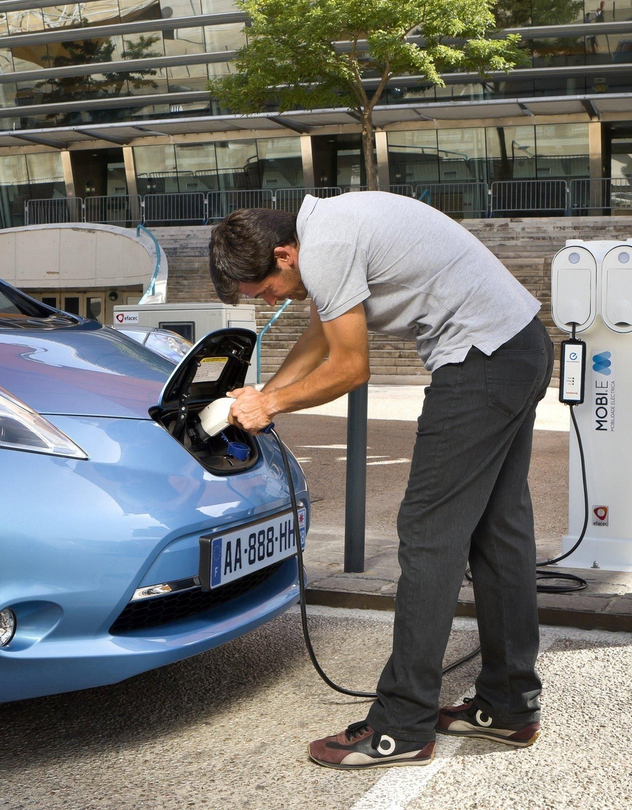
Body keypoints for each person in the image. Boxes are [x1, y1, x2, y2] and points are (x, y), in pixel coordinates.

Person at [208, 192, 553, 770]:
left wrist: (272, 407)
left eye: (266, 290)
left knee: (427, 536)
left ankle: (402, 725)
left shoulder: (329, 246)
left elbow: (349, 367)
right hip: (517, 346)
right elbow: (321, 335)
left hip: (481, 365)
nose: (271, 302)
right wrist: (265, 394)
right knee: (499, 533)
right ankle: (509, 704)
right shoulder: (329, 228)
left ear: (285, 256)